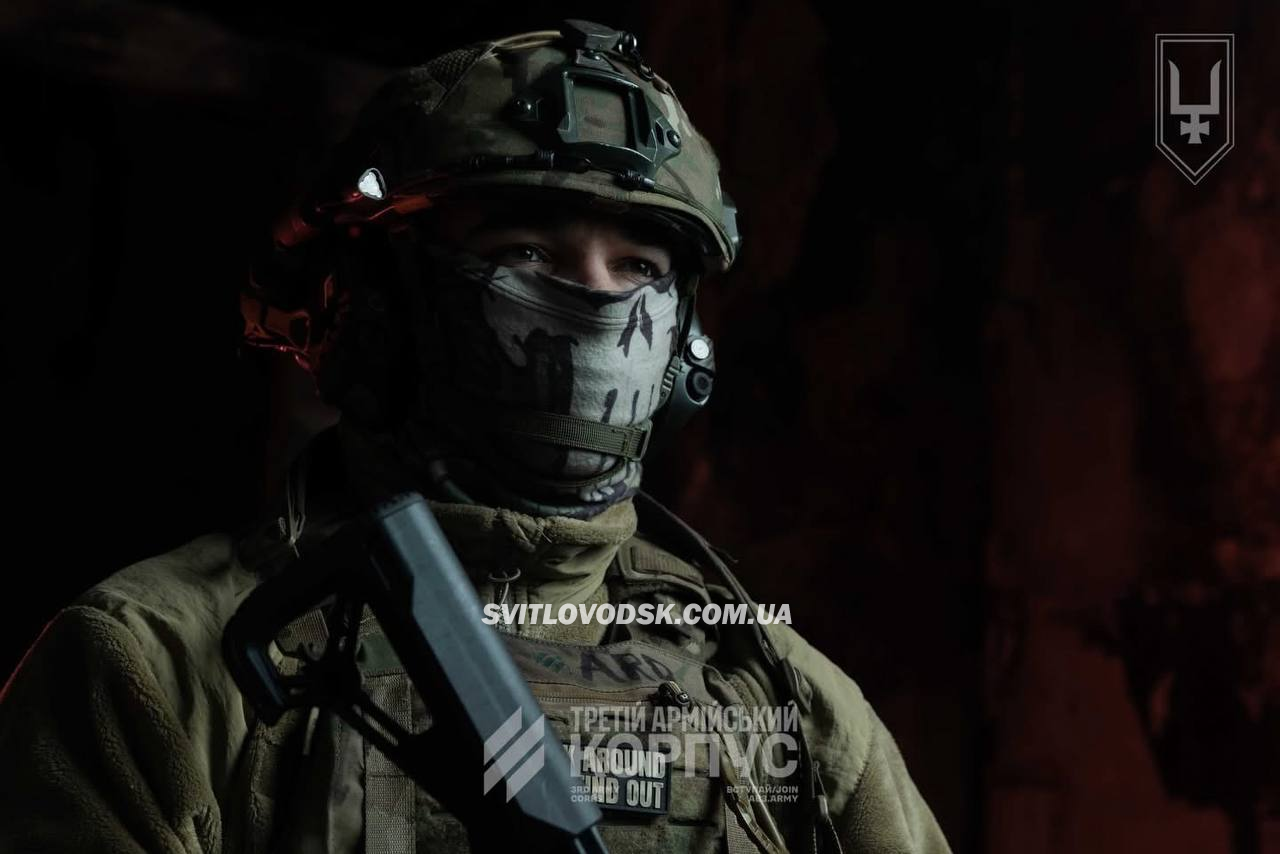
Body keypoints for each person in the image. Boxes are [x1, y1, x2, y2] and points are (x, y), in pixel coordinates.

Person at [0, 20, 951, 854]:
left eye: (637, 266)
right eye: (526, 254)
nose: (594, 303)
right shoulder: (159, 662)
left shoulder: (782, 694)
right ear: (378, 312)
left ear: (684, 349)